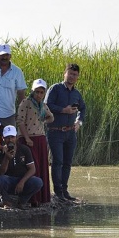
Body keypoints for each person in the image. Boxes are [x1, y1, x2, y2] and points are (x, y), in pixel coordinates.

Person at [44, 63, 86, 201]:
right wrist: (64, 110)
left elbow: (83, 108)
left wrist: (79, 122)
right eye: (70, 73)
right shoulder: (55, 89)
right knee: (58, 161)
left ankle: (65, 190)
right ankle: (58, 192)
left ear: (78, 77)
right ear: (65, 73)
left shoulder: (76, 93)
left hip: (70, 133)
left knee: (67, 162)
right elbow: (47, 106)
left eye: (75, 74)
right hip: (55, 131)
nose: (72, 76)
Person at [17, 79, 54, 206]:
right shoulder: (26, 103)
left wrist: (44, 119)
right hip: (28, 138)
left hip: (40, 139)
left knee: (42, 167)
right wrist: (26, 138)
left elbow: (51, 117)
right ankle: (32, 198)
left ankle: (41, 198)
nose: (39, 94)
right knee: (32, 167)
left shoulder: (43, 106)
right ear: (32, 91)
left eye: (41, 92)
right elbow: (20, 121)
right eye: (37, 92)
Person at [0, 126, 43, 210]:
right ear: (3, 138)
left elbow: (32, 169)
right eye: (7, 137)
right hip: (8, 180)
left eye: (12, 137)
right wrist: (6, 158)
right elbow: (1, 173)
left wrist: (22, 182)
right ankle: (6, 201)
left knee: (38, 182)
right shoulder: (0, 153)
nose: (10, 140)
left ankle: (22, 201)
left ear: (16, 137)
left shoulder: (24, 149)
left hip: (22, 180)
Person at [0, 44, 27, 129]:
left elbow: (21, 93)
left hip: (8, 115)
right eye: (2, 55)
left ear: (10, 56)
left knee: (10, 141)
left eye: (6, 55)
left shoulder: (17, 71)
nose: (4, 57)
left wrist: (20, 112)